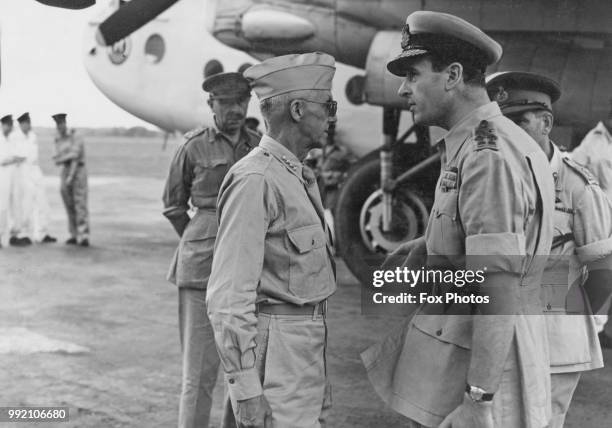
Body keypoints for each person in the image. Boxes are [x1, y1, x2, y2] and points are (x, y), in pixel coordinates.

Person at [361, 11, 555, 428]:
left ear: (451, 75)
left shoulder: (488, 157)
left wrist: (479, 400)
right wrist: (431, 245)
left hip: (479, 373)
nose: (403, 88)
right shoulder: (481, 142)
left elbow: (498, 287)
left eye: (413, 75)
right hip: (463, 358)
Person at [206, 52, 337, 428]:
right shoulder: (256, 179)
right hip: (278, 355)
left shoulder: (293, 174)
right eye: (326, 105)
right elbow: (228, 298)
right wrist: (247, 389)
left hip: (303, 350)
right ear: (297, 109)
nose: (331, 116)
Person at [486, 71, 612, 427]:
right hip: (499, 336)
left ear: (545, 122)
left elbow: (602, 266)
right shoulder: (496, 176)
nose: (503, 132)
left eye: (515, 122)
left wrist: (586, 324)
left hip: (556, 342)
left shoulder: (577, 186)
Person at [162, 72, 260, 428]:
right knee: (198, 375)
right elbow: (173, 205)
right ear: (211, 105)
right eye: (225, 103)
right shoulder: (193, 147)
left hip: (247, 269)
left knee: (244, 370)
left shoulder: (260, 146)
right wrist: (201, 236)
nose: (234, 110)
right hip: (200, 269)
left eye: (240, 102)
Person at [571, 108, 612, 347]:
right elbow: (574, 166)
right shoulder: (594, 139)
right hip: (603, 217)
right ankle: (593, 333)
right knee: (602, 274)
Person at [15, 113, 56, 244]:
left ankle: (42, 233)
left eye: (30, 122)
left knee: (42, 203)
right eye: (27, 122)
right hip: (23, 171)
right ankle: (23, 234)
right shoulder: (15, 137)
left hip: (35, 170)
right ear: (22, 124)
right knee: (25, 205)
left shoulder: (33, 136)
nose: (29, 125)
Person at [52, 113, 89, 247]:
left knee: (80, 203)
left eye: (61, 123)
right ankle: (73, 234)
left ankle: (83, 235)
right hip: (65, 170)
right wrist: (65, 159)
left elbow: (75, 155)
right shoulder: (58, 138)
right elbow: (56, 159)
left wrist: (70, 175)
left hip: (78, 170)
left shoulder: (76, 135)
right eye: (57, 124)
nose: (59, 126)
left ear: (65, 123)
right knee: (68, 203)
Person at [0, 115, 23, 248]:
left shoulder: (12, 139)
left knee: (15, 204)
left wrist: (13, 159)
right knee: (2, 207)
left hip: (13, 174)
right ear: (2, 125)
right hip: (2, 176)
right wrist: (12, 159)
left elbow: (20, 156)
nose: (9, 127)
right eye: (7, 124)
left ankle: (15, 235)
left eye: (10, 124)